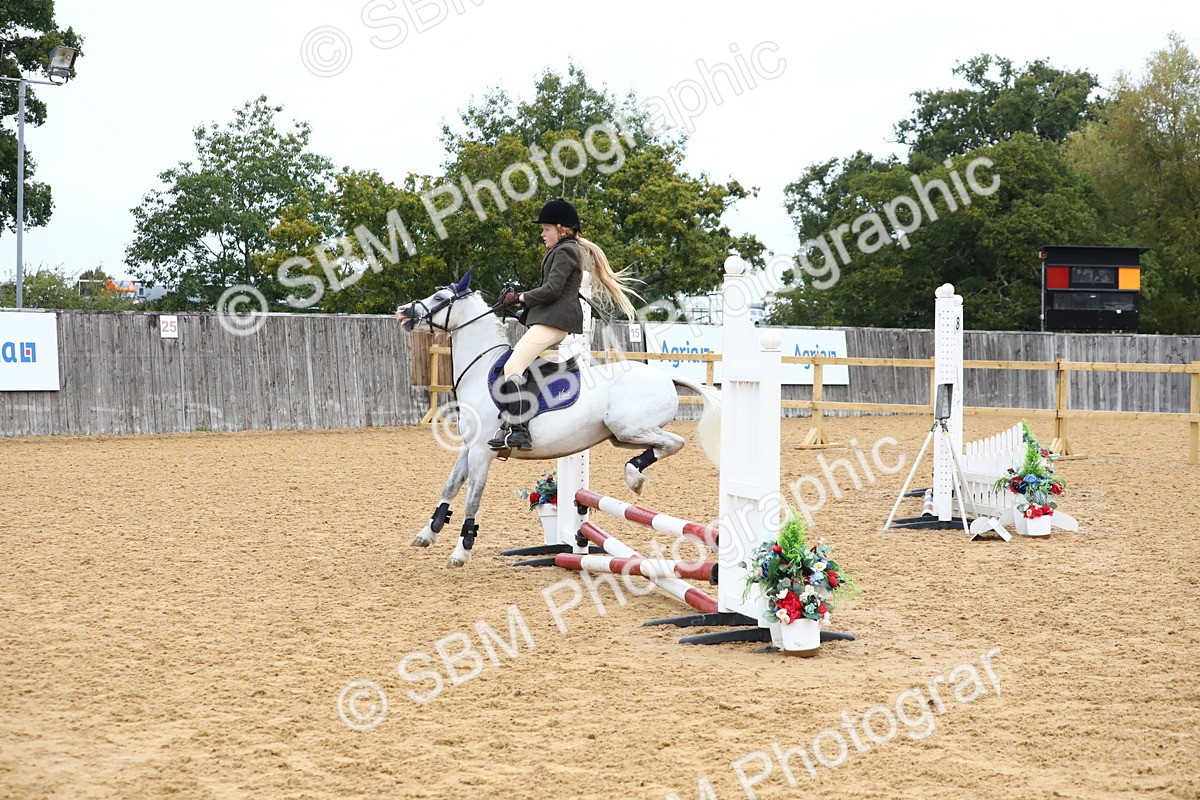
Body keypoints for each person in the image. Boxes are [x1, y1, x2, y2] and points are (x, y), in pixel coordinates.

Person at [487, 198, 638, 451]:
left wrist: (521, 297)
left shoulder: (566, 251)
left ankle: (520, 430)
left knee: (512, 365)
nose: (542, 233)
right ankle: (511, 421)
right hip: (549, 320)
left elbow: (552, 289)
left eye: (546, 229)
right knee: (519, 366)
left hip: (554, 322)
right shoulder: (562, 250)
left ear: (561, 229)